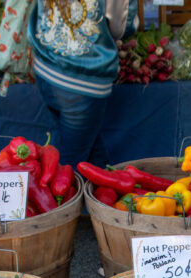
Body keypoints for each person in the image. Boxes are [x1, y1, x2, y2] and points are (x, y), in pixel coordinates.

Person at [26, 0, 137, 165]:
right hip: (82, 77)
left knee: (90, 153)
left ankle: (101, 188)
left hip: (46, 65)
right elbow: (122, 26)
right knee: (68, 167)